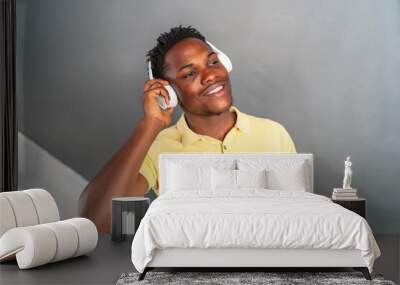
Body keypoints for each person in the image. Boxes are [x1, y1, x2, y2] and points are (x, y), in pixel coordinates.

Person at [79, 25, 297, 233]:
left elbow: (297, 217)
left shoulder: (274, 133)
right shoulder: (158, 148)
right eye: (189, 74)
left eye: (212, 62)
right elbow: (97, 221)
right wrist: (151, 123)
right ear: (169, 92)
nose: (210, 76)